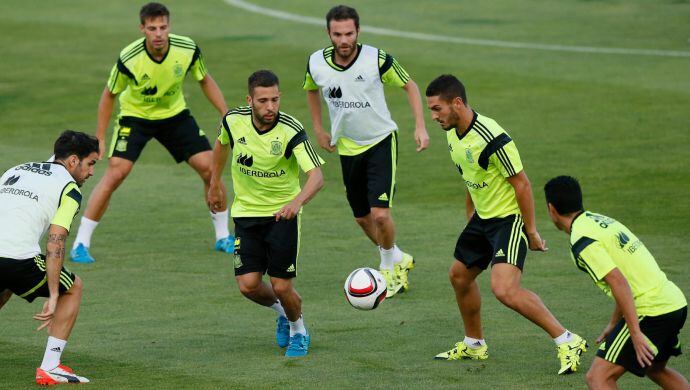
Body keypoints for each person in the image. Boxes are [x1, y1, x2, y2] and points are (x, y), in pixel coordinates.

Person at [425, 74, 587, 374]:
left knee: (504, 289)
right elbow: (471, 176)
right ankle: (474, 344)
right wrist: (470, 217)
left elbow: (522, 184)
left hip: (508, 221)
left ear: (457, 103)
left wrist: (531, 230)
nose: (433, 116)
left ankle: (567, 339)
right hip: (482, 219)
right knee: (459, 276)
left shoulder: (492, 137)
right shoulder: (452, 133)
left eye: (437, 109)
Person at [70, 2, 232, 263]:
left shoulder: (187, 49)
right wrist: (100, 137)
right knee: (116, 173)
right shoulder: (129, 57)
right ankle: (80, 243)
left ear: (169, 27)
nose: (158, 33)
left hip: (175, 115)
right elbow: (109, 94)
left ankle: (223, 236)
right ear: (142, 29)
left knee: (210, 168)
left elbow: (204, 79)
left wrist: (225, 113)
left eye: (163, 27)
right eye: (152, 28)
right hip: (136, 117)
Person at [0, 131, 99, 384]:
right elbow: (56, 241)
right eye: (91, 163)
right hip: (16, 259)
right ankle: (51, 367)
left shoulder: (16, 169)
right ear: (73, 161)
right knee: (73, 288)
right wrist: (54, 294)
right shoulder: (69, 188)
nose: (92, 172)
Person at [303, 5, 429, 297]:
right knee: (362, 218)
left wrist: (420, 127)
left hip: (381, 140)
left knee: (380, 215)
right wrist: (319, 129)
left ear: (358, 31)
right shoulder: (316, 62)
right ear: (328, 33)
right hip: (347, 148)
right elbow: (311, 89)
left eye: (349, 33)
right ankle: (398, 256)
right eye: (338, 34)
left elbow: (410, 85)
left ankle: (388, 271)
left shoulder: (377, 58)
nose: (344, 40)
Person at [208, 70, 324, 357]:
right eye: (263, 101)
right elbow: (222, 144)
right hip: (246, 214)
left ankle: (299, 331)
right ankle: (284, 313)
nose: (270, 107)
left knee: (282, 285)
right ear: (250, 100)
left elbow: (317, 176)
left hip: (281, 216)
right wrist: (214, 182)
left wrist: (297, 203)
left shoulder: (290, 129)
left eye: (274, 99)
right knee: (248, 286)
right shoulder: (233, 121)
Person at [544, 176, 688, 389]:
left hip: (651, 311)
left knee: (598, 378)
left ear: (551, 209)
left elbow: (619, 282)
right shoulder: (599, 220)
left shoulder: (582, 240)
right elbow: (624, 280)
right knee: (655, 369)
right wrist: (613, 323)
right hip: (674, 303)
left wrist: (636, 333)